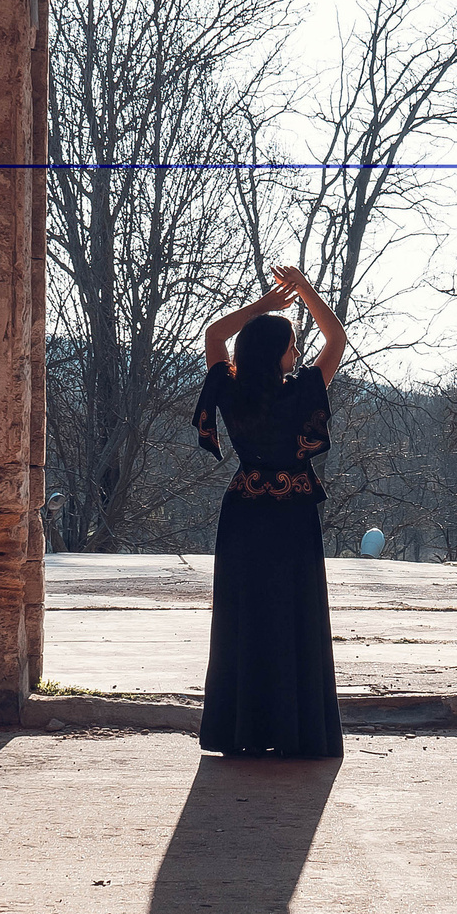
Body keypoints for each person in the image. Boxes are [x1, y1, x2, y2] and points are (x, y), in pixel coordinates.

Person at [190, 266, 348, 759]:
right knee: (294, 615)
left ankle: (242, 732)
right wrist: (304, 291)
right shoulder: (300, 389)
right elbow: (337, 340)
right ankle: (297, 732)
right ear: (276, 351)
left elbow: (217, 334)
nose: (297, 352)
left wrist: (263, 306)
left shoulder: (232, 388)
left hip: (243, 511)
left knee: (245, 616)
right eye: (291, 345)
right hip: (293, 514)